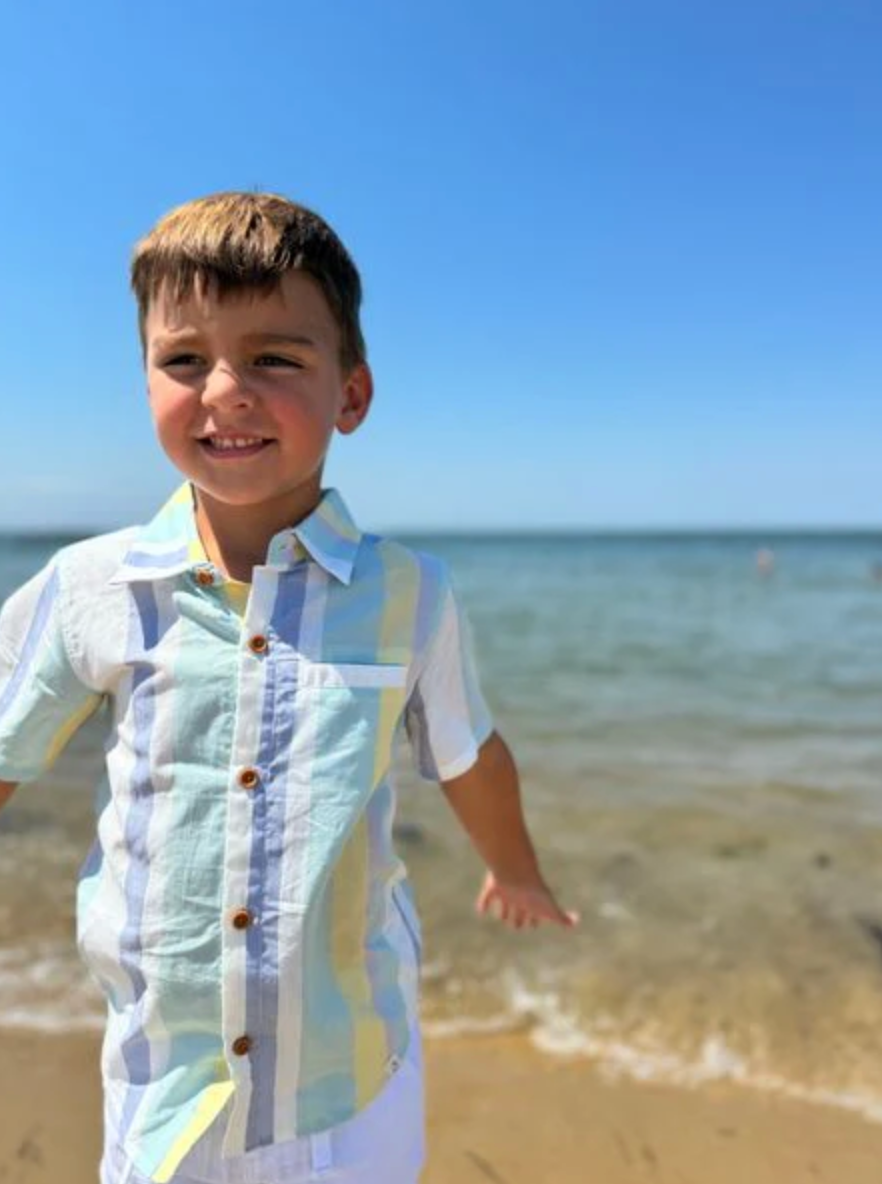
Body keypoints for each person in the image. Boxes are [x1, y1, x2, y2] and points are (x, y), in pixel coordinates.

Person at [0, 191, 577, 1184]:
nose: (225, 388)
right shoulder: (93, 586)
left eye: (274, 357)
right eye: (185, 359)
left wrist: (515, 868)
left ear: (351, 394)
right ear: (146, 384)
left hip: (350, 1078)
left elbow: (467, 751)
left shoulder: (410, 594)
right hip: (163, 1081)